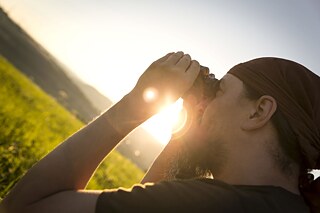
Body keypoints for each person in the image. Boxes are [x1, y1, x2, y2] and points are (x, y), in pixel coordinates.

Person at [0, 51, 319, 213]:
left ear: (258, 111)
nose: (207, 102)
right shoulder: (289, 206)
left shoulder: (212, 205)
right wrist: (188, 133)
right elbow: (147, 200)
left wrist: (135, 104)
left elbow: (23, 208)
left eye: (219, 90)